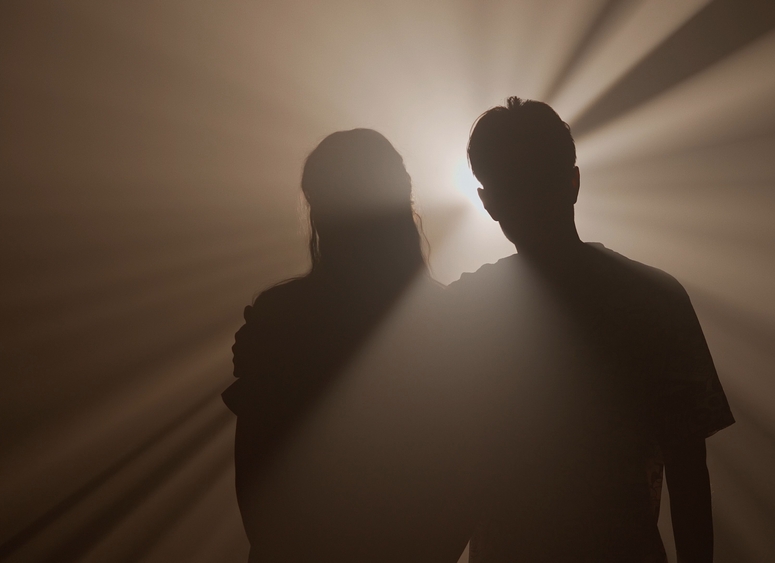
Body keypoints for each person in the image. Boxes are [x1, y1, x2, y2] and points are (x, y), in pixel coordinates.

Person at [448, 98, 735, 563]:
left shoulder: (464, 312)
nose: (529, 202)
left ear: (487, 202)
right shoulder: (656, 299)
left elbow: (447, 481)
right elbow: (688, 475)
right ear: (575, 181)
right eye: (519, 186)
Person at [222, 129, 476, 563]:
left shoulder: (280, 317)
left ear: (320, 211)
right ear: (402, 207)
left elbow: (255, 474)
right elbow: (461, 482)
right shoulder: (448, 321)